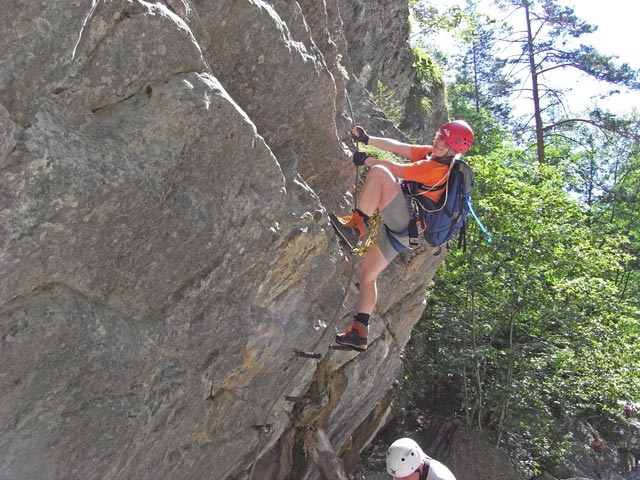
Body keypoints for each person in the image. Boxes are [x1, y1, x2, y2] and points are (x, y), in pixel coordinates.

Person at [331, 120, 474, 351]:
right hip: (407, 232)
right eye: (439, 137)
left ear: (454, 151)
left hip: (406, 220)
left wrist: (367, 160)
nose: (438, 143)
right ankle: (359, 331)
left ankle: (355, 228)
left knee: (379, 173)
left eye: (445, 143)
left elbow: (397, 169)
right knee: (367, 273)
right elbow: (398, 147)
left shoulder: (436, 169)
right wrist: (368, 139)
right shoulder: (432, 155)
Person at [386, 437, 456, 480]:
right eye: (397, 478)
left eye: (404, 479)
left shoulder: (440, 477)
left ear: (419, 467)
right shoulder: (400, 471)